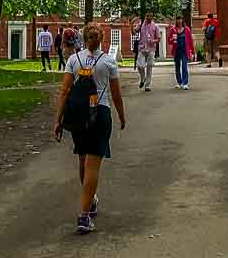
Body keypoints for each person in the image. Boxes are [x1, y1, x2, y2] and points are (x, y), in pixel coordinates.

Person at [53, 23, 126, 235]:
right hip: (99, 114)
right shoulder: (109, 62)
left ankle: (90, 199)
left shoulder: (73, 60)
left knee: (83, 160)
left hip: (77, 116)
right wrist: (121, 116)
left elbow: (64, 91)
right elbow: (116, 95)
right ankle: (84, 216)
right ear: (101, 38)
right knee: (93, 165)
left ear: (83, 38)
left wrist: (58, 120)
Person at [168, 16, 196, 90]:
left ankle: (185, 83)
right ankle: (179, 82)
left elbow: (190, 41)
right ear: (176, 21)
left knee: (184, 66)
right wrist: (172, 40)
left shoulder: (186, 29)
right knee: (177, 67)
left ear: (182, 21)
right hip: (176, 50)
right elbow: (169, 41)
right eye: (178, 20)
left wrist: (193, 51)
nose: (179, 21)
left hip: (184, 51)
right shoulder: (173, 29)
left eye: (180, 20)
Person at [136, 12, 161, 92]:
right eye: (147, 16)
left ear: (152, 17)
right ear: (145, 16)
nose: (149, 17)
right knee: (140, 65)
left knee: (149, 67)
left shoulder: (155, 26)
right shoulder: (141, 25)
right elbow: (134, 31)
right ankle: (143, 78)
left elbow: (159, 39)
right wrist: (131, 24)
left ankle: (147, 85)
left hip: (151, 49)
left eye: (150, 16)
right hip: (142, 48)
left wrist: (153, 40)